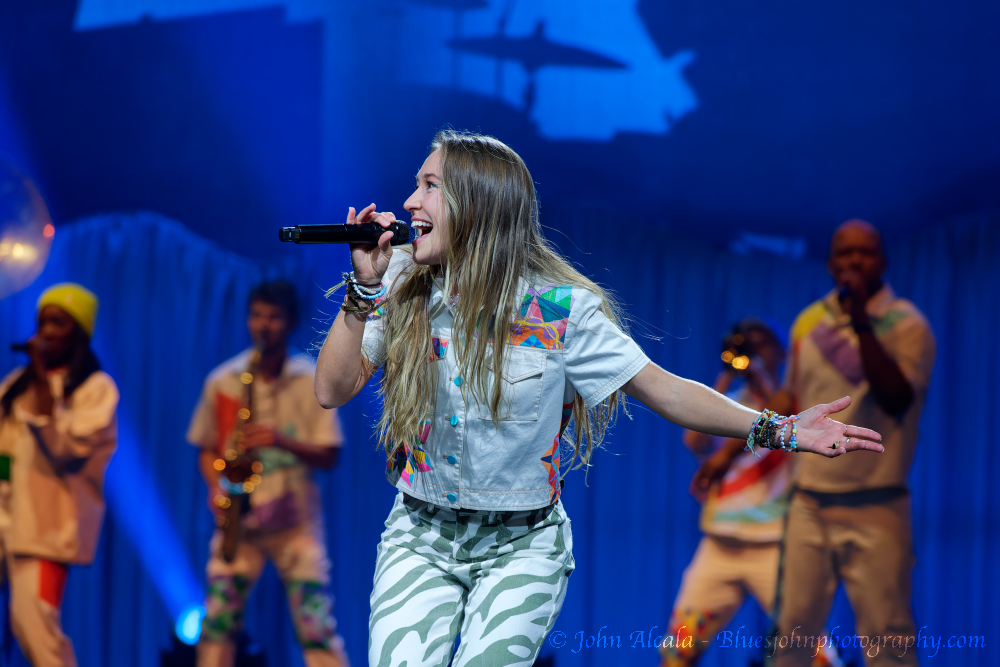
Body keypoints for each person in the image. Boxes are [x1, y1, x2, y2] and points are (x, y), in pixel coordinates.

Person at [314, 130, 883, 667]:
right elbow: (330, 390)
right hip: (422, 535)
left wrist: (779, 429)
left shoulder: (558, 311)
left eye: (430, 186)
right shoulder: (397, 283)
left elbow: (666, 391)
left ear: (479, 203)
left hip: (520, 545)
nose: (411, 200)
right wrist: (363, 291)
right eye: (416, 184)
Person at [770, 220, 936, 666]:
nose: (855, 261)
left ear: (882, 261)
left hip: (878, 505)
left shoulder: (907, 324)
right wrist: (729, 449)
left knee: (887, 635)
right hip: (809, 504)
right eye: (845, 253)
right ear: (830, 263)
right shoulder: (809, 321)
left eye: (865, 252)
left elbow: (897, 397)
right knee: (794, 632)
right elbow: (793, 402)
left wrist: (861, 320)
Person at [187, 281, 349, 667]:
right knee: (217, 624)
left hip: (296, 524)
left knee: (315, 626)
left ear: (291, 322)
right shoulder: (224, 380)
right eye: (257, 315)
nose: (264, 325)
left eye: (274, 317)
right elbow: (207, 448)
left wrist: (281, 441)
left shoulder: (311, 379)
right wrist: (216, 488)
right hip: (239, 520)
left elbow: (330, 455)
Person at [0, 283, 118, 667]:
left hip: (45, 531)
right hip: (5, 517)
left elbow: (65, 449)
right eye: (42, 322)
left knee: (35, 629)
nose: (47, 332)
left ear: (79, 331)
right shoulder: (15, 386)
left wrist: (39, 378)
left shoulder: (95, 389)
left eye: (59, 322)